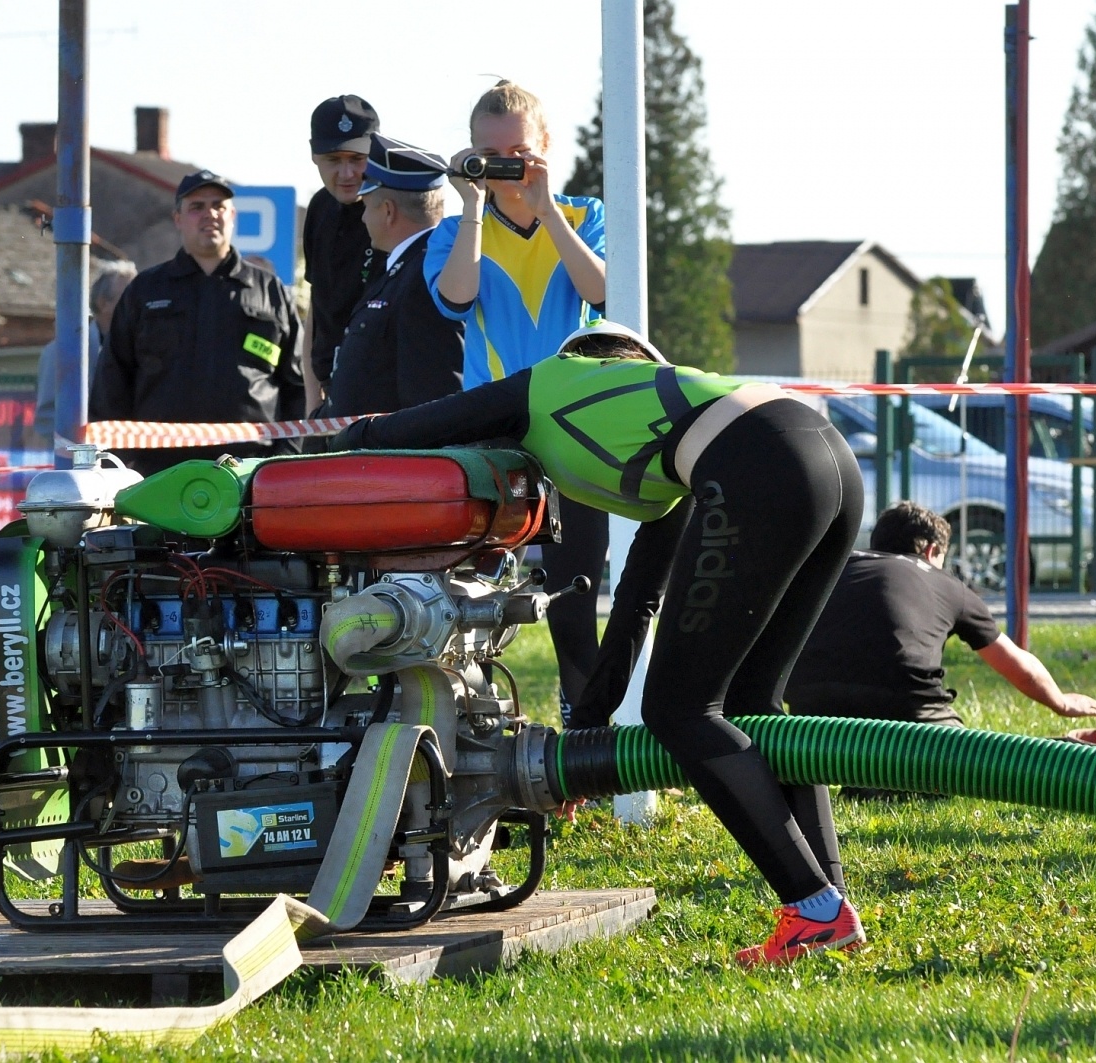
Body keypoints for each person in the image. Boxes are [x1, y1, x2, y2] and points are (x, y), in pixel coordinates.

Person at [322, 322, 865, 968]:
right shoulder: (675, 427)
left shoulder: (555, 381)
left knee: (681, 711)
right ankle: (828, 902)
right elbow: (638, 601)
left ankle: (814, 904)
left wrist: (336, 443)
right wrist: (589, 725)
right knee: (752, 698)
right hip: (828, 458)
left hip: (767, 464)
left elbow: (426, 423)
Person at [428, 80, 608, 724]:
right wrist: (474, 206)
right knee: (467, 582)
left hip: (577, 423)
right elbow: (454, 297)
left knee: (575, 589)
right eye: (489, 153)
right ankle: (471, 714)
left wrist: (548, 207)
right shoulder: (453, 231)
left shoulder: (587, 215)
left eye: (519, 152)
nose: (506, 165)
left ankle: (584, 721)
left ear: (547, 149)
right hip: (495, 427)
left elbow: (605, 289)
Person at [786, 502, 1096, 727]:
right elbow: (1017, 665)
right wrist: (1060, 702)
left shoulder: (835, 568)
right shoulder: (946, 583)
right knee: (953, 753)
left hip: (810, 706)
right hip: (905, 708)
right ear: (931, 551)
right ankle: (891, 778)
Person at [89, 170, 304, 477]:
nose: (210, 214)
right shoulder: (145, 291)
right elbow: (111, 384)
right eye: (197, 207)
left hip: (250, 471)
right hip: (159, 473)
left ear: (232, 216)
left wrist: (283, 459)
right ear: (178, 218)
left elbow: (297, 387)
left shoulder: (270, 293)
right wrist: (123, 465)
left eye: (218, 206)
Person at [319, 135, 463, 417]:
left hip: (391, 458)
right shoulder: (405, 269)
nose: (362, 218)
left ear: (387, 211)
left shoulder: (422, 276)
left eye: (367, 205)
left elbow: (431, 402)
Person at [303, 95, 380, 411]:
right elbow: (315, 309)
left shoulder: (397, 211)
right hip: (328, 398)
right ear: (314, 155)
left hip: (381, 399)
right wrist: (311, 400)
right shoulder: (319, 208)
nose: (347, 173)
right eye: (334, 160)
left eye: (356, 158)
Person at [34, 259, 136, 449]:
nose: (137, 306)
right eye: (129, 298)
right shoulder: (61, 353)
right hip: (82, 466)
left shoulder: (140, 349)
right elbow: (46, 419)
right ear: (103, 303)